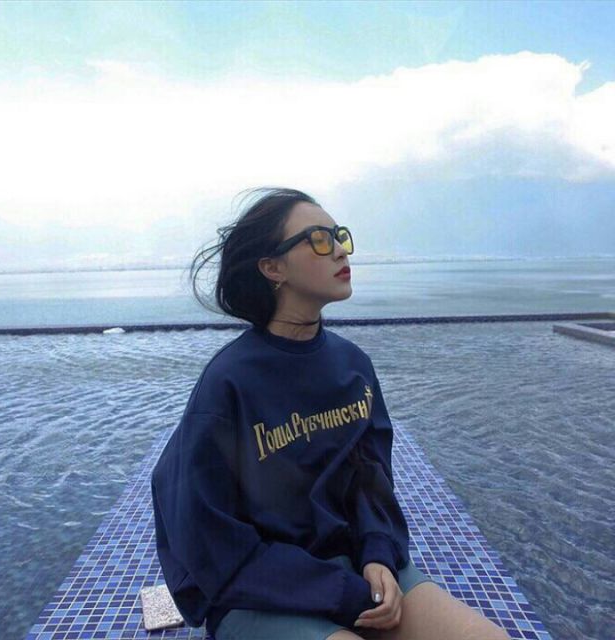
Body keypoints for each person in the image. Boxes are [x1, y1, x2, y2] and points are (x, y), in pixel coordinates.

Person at [151, 187, 511, 640]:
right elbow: (206, 536)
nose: (340, 250)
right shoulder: (228, 382)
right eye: (319, 240)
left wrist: (378, 554)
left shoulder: (353, 366)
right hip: (262, 591)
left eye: (339, 236)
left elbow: (371, 479)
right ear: (273, 267)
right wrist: (341, 592)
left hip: (357, 568)